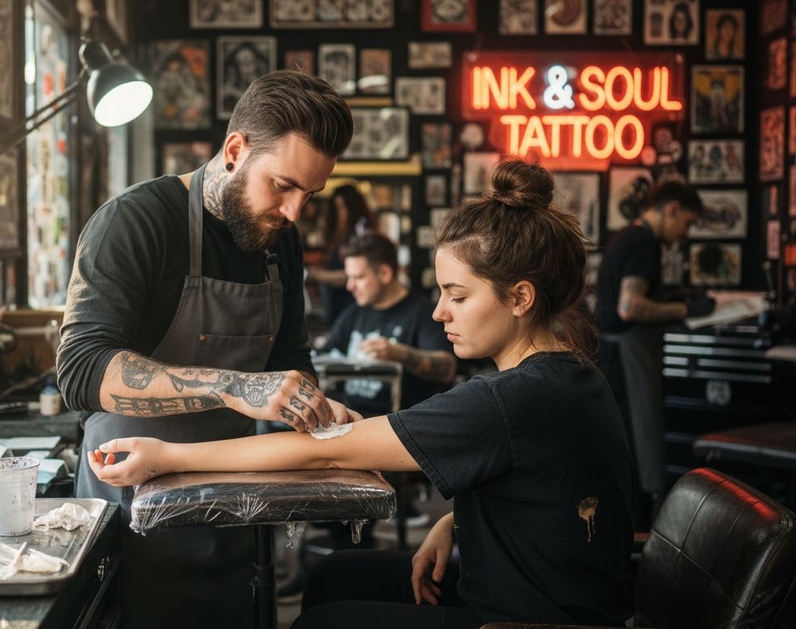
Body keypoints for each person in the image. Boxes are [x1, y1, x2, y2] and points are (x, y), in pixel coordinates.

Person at [89, 159, 635, 628]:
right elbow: (548, 495)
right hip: (532, 590)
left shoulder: (507, 400)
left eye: (457, 296)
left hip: (523, 621)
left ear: (519, 297)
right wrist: (454, 522)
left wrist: (165, 456)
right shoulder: (573, 377)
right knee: (335, 573)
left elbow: (324, 449)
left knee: (323, 622)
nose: (439, 311)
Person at [57, 70, 357, 629]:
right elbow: (79, 370)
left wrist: (316, 408)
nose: (295, 213)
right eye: (283, 186)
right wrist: (236, 386)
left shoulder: (278, 241)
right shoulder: (136, 222)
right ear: (235, 149)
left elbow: (289, 360)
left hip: (234, 500)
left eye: (309, 195)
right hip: (133, 499)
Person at [596, 181, 712, 526]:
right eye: (687, 223)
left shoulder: (625, 237)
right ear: (673, 208)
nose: (683, 234)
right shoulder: (643, 241)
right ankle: (637, 540)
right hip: (626, 358)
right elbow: (630, 307)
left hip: (615, 357)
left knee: (629, 448)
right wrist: (685, 309)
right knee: (638, 451)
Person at [325, 232, 456, 415]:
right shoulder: (354, 313)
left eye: (359, 278)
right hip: (349, 418)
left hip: (397, 422)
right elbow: (325, 357)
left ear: (385, 274)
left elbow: (447, 368)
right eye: (349, 278)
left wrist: (400, 353)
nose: (350, 286)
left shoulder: (424, 313)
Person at [307, 185, 376, 324]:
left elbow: (351, 276)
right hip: (334, 309)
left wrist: (316, 274)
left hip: (352, 310)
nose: (340, 214)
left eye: (343, 207)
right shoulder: (337, 237)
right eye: (337, 208)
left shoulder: (358, 235)